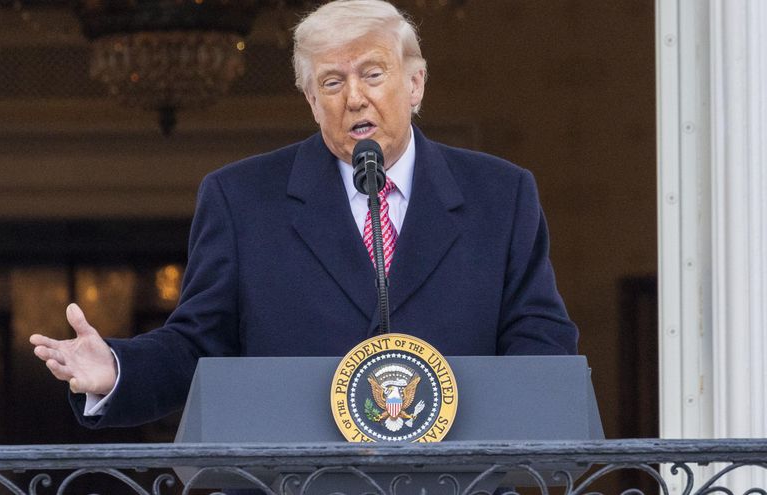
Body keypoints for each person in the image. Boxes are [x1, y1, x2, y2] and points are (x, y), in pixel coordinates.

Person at [30, 0, 578, 429]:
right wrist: (117, 371)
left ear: (415, 84)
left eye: (373, 74)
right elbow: (199, 344)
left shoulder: (501, 194)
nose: (354, 98)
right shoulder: (241, 199)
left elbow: (540, 341)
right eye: (332, 82)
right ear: (312, 101)